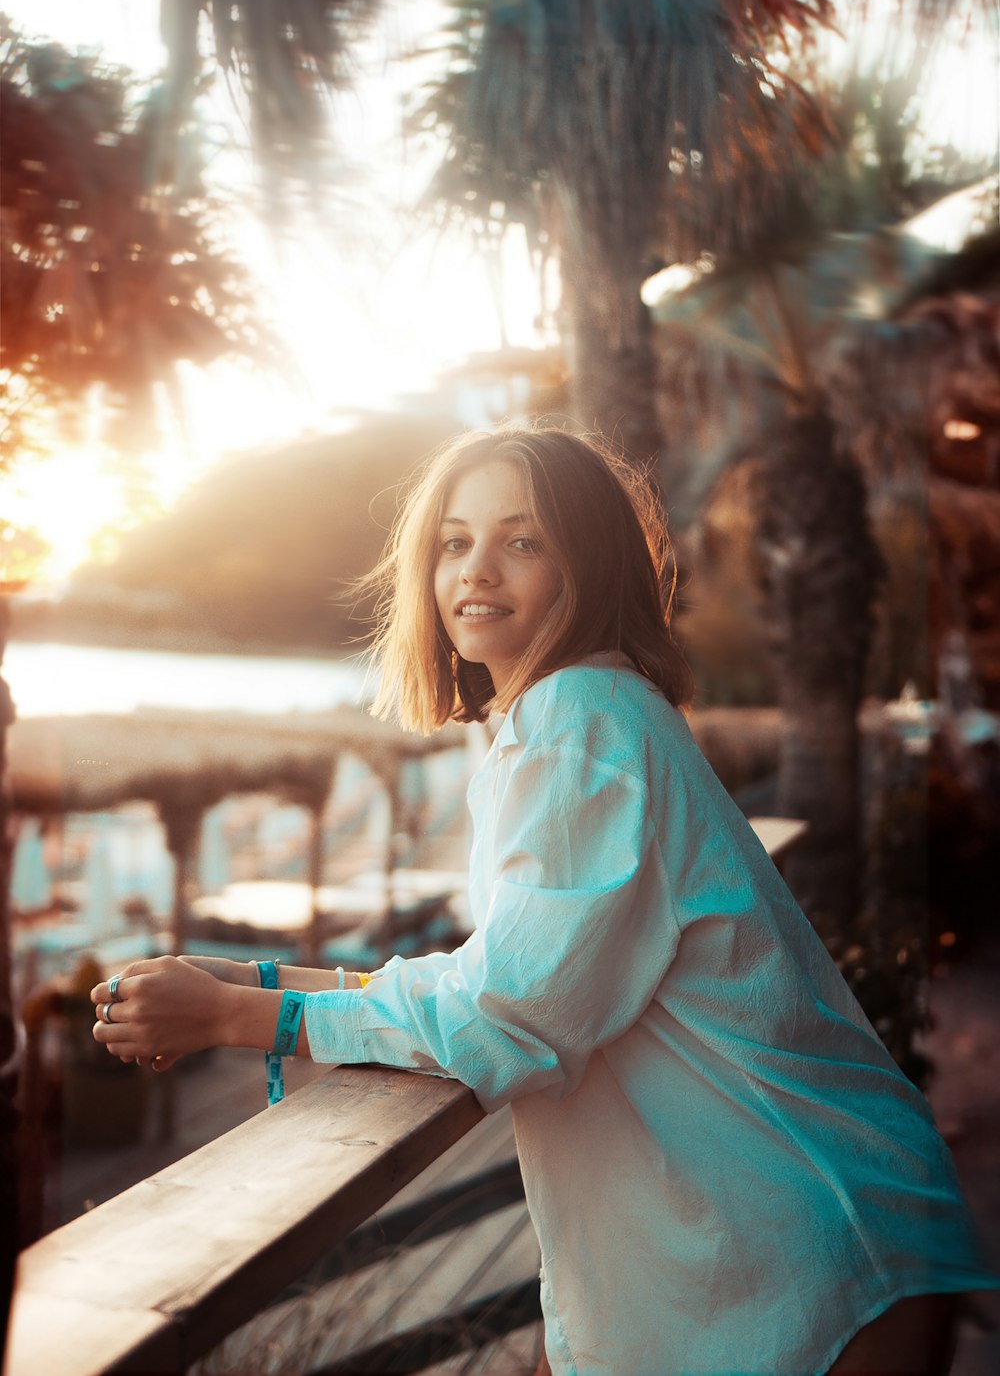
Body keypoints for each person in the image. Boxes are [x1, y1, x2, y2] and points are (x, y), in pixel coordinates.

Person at [93, 425, 998, 1376]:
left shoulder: (579, 726)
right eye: (453, 541)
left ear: (590, 564)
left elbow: (514, 1009)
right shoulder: (580, 715)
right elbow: (522, 968)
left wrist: (248, 1016)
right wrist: (269, 976)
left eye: (522, 540)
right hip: (800, 1237)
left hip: (810, 1247)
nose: (476, 569)